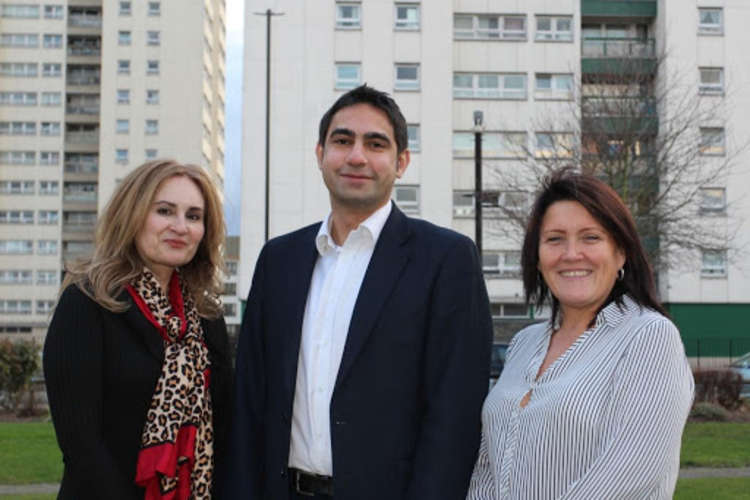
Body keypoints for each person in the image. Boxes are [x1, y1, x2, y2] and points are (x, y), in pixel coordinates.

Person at [224, 85, 493, 500]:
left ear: (401, 162)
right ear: (320, 154)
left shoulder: (447, 260)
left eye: (376, 143)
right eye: (343, 140)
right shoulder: (278, 261)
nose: (356, 156)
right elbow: (249, 401)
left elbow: (455, 415)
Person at [467, 169, 694, 499]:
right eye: (555, 239)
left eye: (591, 237)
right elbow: (489, 466)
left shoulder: (649, 336)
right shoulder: (524, 343)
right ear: (538, 257)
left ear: (621, 252)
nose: (571, 254)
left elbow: (629, 470)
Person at [44, 160, 232, 499]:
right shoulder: (87, 302)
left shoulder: (207, 317)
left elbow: (225, 430)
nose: (180, 226)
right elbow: (80, 444)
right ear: (132, 215)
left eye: (193, 216)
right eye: (164, 211)